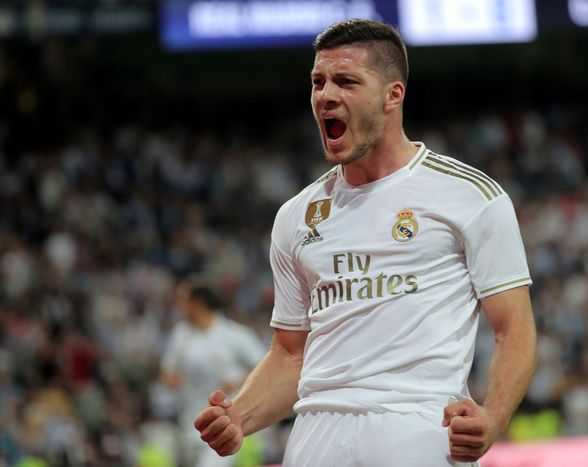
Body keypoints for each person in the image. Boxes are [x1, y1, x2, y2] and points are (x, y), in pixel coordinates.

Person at [194, 19, 537, 466]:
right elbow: (290, 353)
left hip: (419, 426)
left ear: (393, 95)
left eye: (346, 81)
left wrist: (493, 417)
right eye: (318, 82)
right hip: (316, 434)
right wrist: (239, 415)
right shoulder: (296, 216)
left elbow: (515, 329)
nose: (325, 95)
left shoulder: (471, 197)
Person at [160, 278, 266, 467]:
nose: (179, 306)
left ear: (197, 303)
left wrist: (238, 382)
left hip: (224, 422)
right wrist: (174, 380)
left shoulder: (233, 334)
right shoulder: (181, 334)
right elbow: (167, 373)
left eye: (183, 300)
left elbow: (263, 366)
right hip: (189, 421)